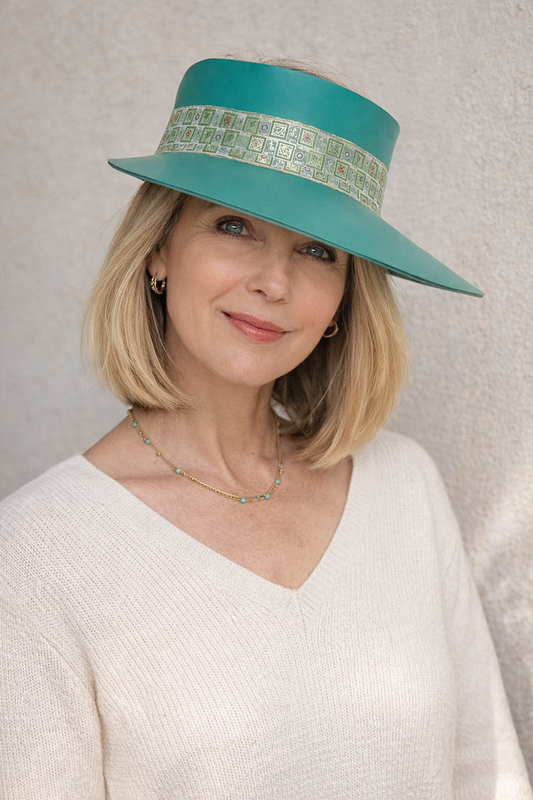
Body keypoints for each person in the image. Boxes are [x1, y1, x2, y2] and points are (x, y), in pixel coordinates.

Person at [0, 56, 531, 800]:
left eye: (317, 250)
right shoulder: (35, 553)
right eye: (234, 225)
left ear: (344, 299)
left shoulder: (403, 484)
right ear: (157, 250)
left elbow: (488, 775)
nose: (274, 282)